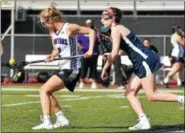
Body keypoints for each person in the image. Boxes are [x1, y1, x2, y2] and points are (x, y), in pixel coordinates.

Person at [100, 7, 184, 131]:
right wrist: (110, 56)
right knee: (130, 93)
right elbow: (120, 51)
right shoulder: (118, 29)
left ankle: (182, 99)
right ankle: (144, 120)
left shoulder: (116, 29)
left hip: (144, 60)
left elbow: (115, 52)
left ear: (113, 19)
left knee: (152, 95)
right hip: (141, 61)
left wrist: (105, 68)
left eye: (104, 17)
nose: (101, 20)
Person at [32, 6, 95, 130]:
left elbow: (91, 31)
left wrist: (91, 49)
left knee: (43, 90)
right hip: (62, 66)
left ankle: (47, 122)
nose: (44, 25)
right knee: (47, 92)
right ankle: (61, 119)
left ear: (51, 19)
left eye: (44, 22)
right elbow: (57, 49)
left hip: (72, 68)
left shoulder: (69, 27)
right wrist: (52, 55)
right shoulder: (52, 32)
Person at [77, 19, 99, 89]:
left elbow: (98, 40)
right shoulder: (81, 33)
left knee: (93, 68)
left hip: (94, 53)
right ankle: (81, 82)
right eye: (87, 23)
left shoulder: (95, 32)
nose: (89, 25)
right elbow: (76, 40)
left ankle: (93, 82)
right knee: (83, 68)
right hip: (84, 53)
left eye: (90, 23)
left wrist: (98, 34)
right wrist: (80, 46)